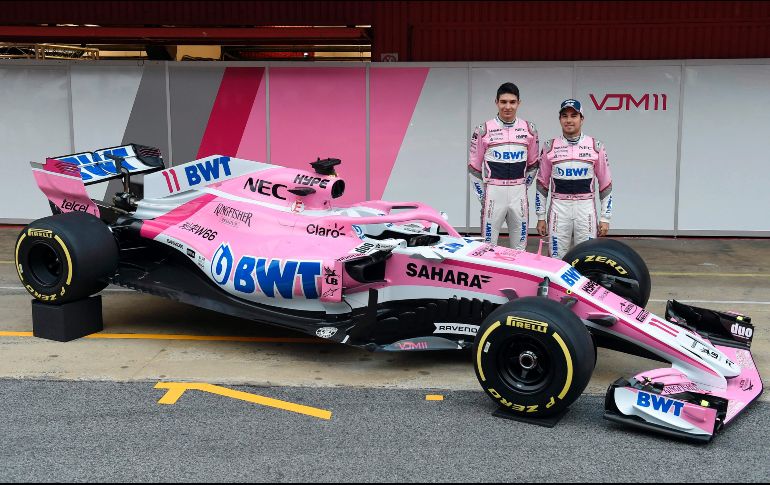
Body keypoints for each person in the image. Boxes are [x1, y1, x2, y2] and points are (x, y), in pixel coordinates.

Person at [535, 99, 613, 259]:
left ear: (581, 119)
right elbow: (542, 184)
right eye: (565, 116)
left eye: (574, 116)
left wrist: (605, 218)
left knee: (587, 256)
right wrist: (541, 217)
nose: (569, 120)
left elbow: (605, 185)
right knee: (556, 257)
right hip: (559, 208)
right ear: (560, 119)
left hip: (585, 209)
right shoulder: (549, 146)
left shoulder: (596, 146)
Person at [467, 82, 539, 249]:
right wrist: (483, 196)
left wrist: (522, 187)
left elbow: (533, 164)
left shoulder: (529, 129)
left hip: (518, 193)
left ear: (519, 103)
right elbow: (474, 168)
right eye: (503, 102)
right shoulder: (483, 129)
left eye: (512, 102)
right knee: (487, 247)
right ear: (496, 102)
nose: (508, 106)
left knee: (520, 247)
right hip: (493, 192)